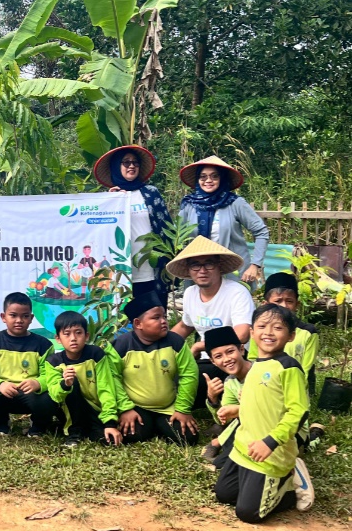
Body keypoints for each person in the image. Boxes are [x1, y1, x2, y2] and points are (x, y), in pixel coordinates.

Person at [214, 304, 314, 522]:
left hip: (270, 453)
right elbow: (263, 402)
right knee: (224, 494)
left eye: (277, 328)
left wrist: (270, 442)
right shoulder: (255, 365)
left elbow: (298, 411)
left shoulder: (288, 367)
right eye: (262, 326)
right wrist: (236, 410)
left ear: (291, 336)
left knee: (249, 513)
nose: (268, 332)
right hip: (243, 449)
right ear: (251, 333)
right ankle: (261, 482)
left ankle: (290, 484)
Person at [168, 235, 255, 408]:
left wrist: (200, 346)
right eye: (195, 265)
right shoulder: (190, 293)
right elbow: (186, 326)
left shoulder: (236, 293)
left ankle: (221, 405)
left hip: (235, 357)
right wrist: (161, 344)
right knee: (165, 374)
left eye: (209, 264)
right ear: (189, 269)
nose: (202, 270)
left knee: (190, 379)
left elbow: (243, 334)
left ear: (219, 266)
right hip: (208, 359)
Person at [112, 292, 199, 445]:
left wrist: (182, 409)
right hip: (135, 407)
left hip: (168, 407)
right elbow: (112, 378)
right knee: (132, 435)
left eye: (164, 316)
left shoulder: (176, 342)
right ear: (138, 323)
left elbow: (189, 375)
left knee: (188, 438)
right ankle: (153, 426)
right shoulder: (121, 345)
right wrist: (125, 409)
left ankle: (159, 424)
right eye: (156, 317)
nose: (164, 321)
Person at [0, 292, 59, 437]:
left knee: (51, 397)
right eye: (13, 315)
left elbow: (50, 375)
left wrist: (37, 383)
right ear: (3, 317)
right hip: (3, 394)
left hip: (31, 395)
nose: (19, 320)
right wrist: (0, 385)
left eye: (25, 316)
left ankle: (38, 425)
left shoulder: (44, 345)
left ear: (31, 318)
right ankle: (1, 422)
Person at [92, 145, 174, 299]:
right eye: (126, 162)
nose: (131, 166)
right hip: (122, 270)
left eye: (135, 162)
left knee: (155, 315)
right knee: (127, 319)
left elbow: (166, 226)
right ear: (116, 166)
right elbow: (98, 233)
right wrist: (111, 202)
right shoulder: (107, 198)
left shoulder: (150, 193)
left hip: (152, 266)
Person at [178, 156, 269, 284]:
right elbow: (179, 237)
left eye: (214, 176)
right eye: (203, 176)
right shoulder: (189, 205)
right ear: (198, 179)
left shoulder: (235, 203)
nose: (208, 180)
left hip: (233, 273)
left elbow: (261, 232)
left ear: (222, 178)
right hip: (199, 274)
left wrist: (255, 265)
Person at [43, 311, 125, 447]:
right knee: (71, 383)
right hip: (69, 410)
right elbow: (55, 395)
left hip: (94, 409)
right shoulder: (53, 361)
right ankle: (73, 433)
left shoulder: (96, 354)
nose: (73, 338)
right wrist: (65, 384)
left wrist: (110, 422)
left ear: (86, 336)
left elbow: (106, 388)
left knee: (107, 441)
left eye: (78, 332)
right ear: (58, 339)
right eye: (67, 334)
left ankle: (86, 428)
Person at [249, 272, 319, 389]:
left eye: (289, 301)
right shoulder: (259, 330)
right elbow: (252, 360)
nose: (284, 306)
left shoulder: (308, 332)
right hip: (264, 384)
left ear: (297, 304)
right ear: (265, 304)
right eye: (278, 301)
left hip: (296, 386)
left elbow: (306, 369)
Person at [200, 326, 250, 467]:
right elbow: (223, 420)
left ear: (241, 349)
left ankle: (218, 443)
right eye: (218, 356)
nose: (226, 359)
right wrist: (212, 399)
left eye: (230, 352)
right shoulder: (230, 382)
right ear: (213, 362)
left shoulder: (260, 372)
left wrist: (246, 405)